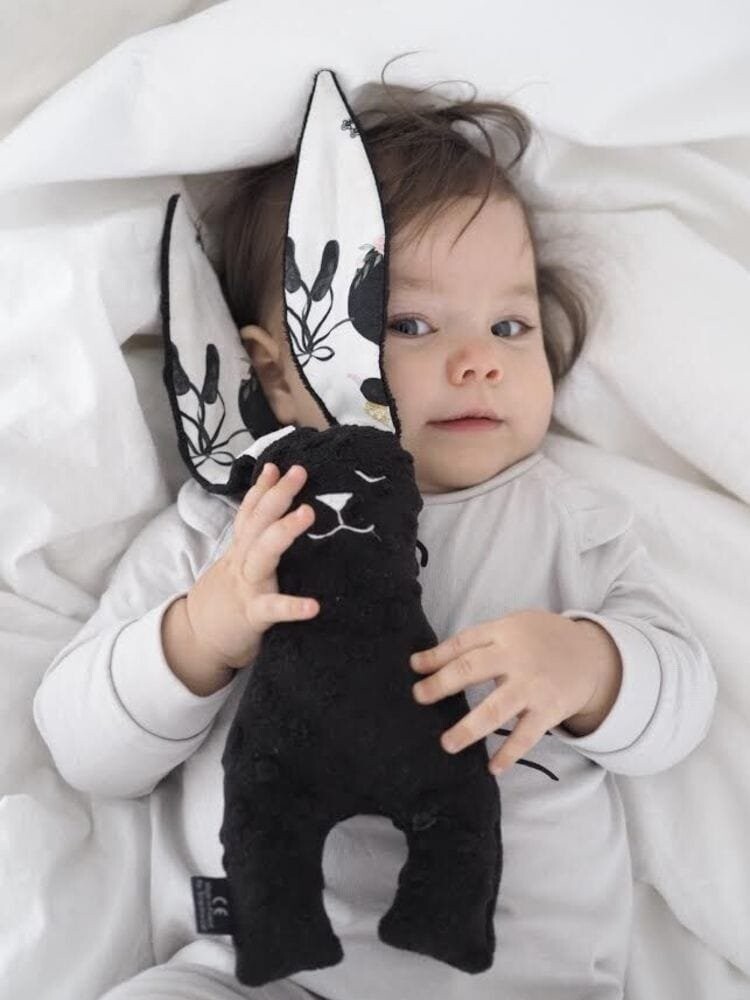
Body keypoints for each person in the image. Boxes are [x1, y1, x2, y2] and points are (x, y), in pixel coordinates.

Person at [32, 71, 717, 1000]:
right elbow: (84, 751)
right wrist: (198, 634)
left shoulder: (569, 526)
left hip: (523, 981)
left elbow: (681, 711)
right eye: (409, 322)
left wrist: (593, 668)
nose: (478, 360)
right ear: (276, 374)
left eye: (510, 324)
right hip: (259, 974)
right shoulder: (229, 528)